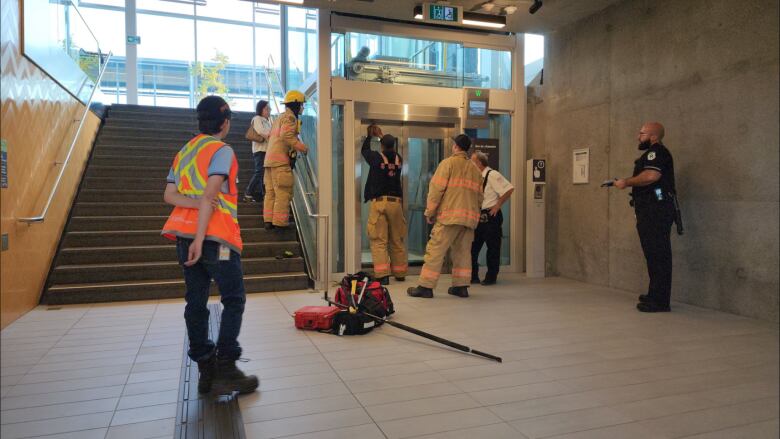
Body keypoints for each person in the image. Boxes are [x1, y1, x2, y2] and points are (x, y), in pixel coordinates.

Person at [161, 95, 259, 395]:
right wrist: (201, 239)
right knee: (234, 299)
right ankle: (226, 366)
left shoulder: (185, 151)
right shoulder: (222, 150)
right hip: (215, 238)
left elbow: (169, 195)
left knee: (196, 302)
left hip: (183, 236)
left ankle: (206, 369)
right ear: (225, 122)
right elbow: (210, 196)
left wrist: (193, 220)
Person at [408, 134, 483, 299]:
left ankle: (426, 287)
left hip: (449, 217)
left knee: (435, 251)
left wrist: (430, 212)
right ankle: (461, 287)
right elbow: (480, 197)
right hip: (468, 220)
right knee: (463, 253)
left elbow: (436, 190)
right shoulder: (475, 170)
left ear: (455, 146)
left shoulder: (447, 164)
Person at [614, 122, 677, 312]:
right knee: (653, 255)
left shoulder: (656, 152)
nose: (638, 136)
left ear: (654, 136)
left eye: (642, 133)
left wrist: (626, 182)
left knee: (658, 255)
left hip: (656, 212)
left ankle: (660, 301)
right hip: (651, 211)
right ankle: (654, 294)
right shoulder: (652, 153)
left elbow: (651, 176)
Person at [362, 124, 407, 285]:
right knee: (396, 239)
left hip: (380, 203)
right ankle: (400, 273)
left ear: (381, 145)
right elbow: (388, 148)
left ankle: (382, 275)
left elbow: (364, 151)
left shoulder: (376, 158)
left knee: (379, 239)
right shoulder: (399, 159)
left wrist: (371, 136)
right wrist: (382, 137)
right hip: (396, 204)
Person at [263, 90, 308, 230]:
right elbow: (286, 136)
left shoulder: (279, 118)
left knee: (271, 192)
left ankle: (268, 221)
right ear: (295, 104)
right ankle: (280, 223)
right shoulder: (290, 118)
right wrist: (303, 148)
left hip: (269, 162)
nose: (302, 107)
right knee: (283, 192)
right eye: (301, 104)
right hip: (280, 162)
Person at [470, 151, 514, 285]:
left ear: (479, 163)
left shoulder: (492, 174)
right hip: (478, 216)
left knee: (493, 249)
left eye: (472, 161)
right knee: (472, 248)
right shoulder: (476, 176)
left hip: (490, 217)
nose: (470, 163)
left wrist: (497, 205)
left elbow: (509, 189)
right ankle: (473, 276)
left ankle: (491, 277)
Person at [244, 100, 272, 203]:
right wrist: (273, 136)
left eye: (269, 108)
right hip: (259, 150)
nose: (269, 110)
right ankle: (248, 192)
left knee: (264, 174)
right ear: (261, 109)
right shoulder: (257, 119)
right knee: (259, 172)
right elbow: (261, 131)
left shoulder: (268, 121)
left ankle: (261, 195)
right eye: (267, 108)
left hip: (267, 150)